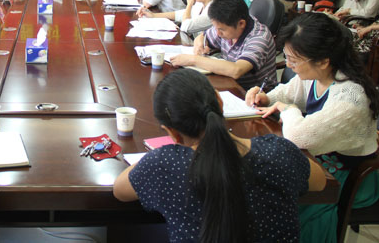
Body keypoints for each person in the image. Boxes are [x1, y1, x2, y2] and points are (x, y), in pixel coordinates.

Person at [113, 69, 326, 243]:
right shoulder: (279, 152)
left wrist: (155, 158)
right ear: (219, 102)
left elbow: (120, 191)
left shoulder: (164, 165)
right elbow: (320, 182)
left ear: (172, 133)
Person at [246, 13, 379, 243]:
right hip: (318, 157)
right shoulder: (317, 74)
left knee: (283, 202)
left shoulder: (351, 97)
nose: (289, 65)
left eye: (293, 60)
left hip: (349, 175)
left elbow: (298, 136)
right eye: (287, 57)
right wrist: (265, 97)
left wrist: (288, 109)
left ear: (323, 60)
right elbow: (287, 92)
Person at [170, 0, 277, 91]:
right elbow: (204, 37)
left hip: (254, 95)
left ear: (241, 24)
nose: (217, 33)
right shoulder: (226, 24)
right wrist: (201, 42)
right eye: (216, 28)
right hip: (228, 83)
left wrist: (193, 60)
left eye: (221, 29)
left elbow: (237, 70)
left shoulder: (259, 38)